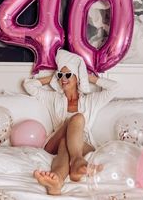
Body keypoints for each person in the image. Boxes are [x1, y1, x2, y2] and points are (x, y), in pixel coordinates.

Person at [23, 49, 120, 195]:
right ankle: (77, 162)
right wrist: (53, 78)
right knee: (77, 118)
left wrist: (87, 78)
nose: (63, 78)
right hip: (53, 143)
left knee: (65, 142)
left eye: (68, 74)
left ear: (77, 78)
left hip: (82, 143)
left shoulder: (90, 100)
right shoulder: (54, 98)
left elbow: (115, 88)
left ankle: (56, 182)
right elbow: (29, 86)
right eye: (60, 75)